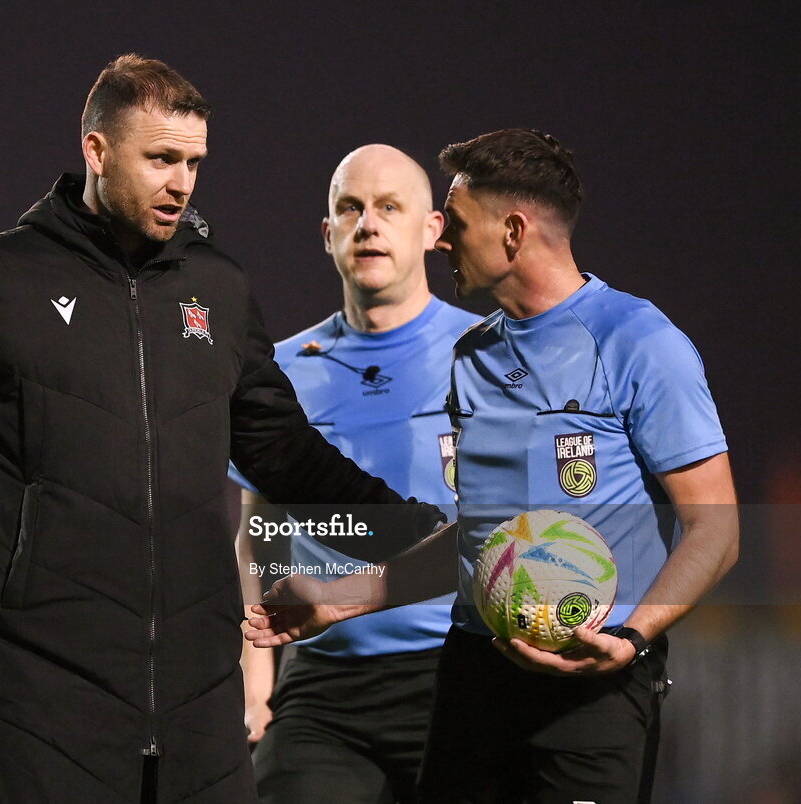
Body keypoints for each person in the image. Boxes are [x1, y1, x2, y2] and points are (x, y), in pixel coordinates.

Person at [0, 55, 444, 804]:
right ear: (96, 150)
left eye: (193, 163)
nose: (181, 182)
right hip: (41, 711)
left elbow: (282, 450)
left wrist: (405, 528)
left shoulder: (216, 288)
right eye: (160, 159)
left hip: (200, 716)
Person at [246, 129, 739, 804]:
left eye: (462, 223)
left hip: (590, 686)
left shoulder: (640, 341)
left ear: (513, 231)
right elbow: (476, 542)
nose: (443, 239)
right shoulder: (472, 358)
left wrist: (630, 636)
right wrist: (341, 598)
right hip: (472, 682)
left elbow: (716, 529)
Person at [231, 144, 480, 803]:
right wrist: (257, 690)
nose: (368, 223)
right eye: (351, 208)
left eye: (390, 207)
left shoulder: (495, 357)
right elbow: (261, 534)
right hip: (324, 687)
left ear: (432, 231)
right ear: (328, 234)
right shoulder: (278, 371)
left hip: (464, 675)